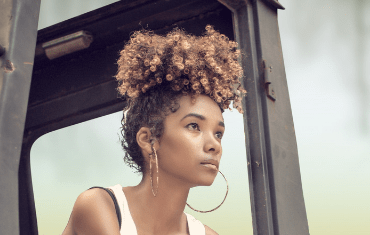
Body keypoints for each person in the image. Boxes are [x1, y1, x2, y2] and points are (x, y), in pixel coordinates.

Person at [62, 26, 245, 235]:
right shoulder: (100, 205)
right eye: (194, 126)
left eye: (218, 133)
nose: (214, 145)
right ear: (149, 140)